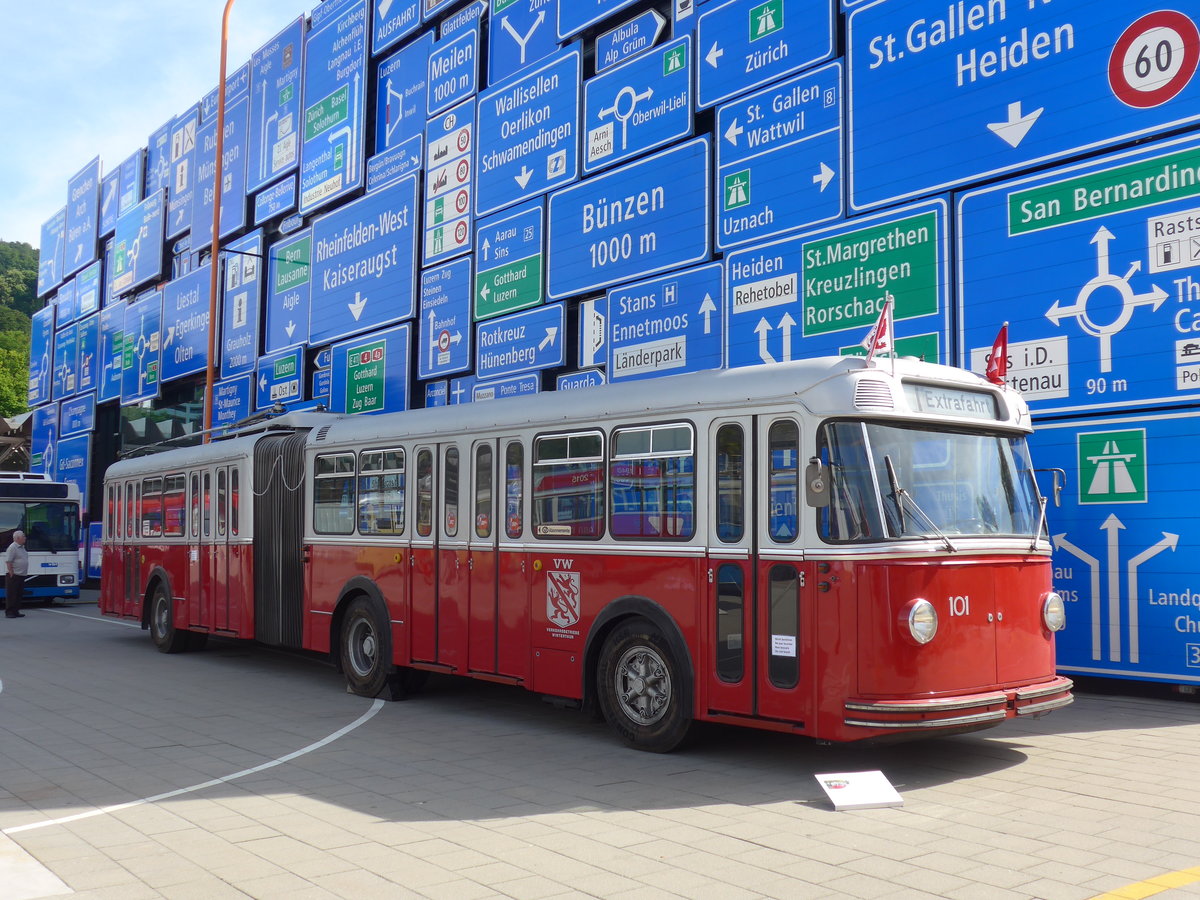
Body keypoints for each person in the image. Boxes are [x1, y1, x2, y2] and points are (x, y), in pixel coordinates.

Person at [4, 529, 28, 618]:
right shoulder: (12, 547)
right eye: (23, 536)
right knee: (12, 594)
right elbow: (8, 561)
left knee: (18, 594)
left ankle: (16, 611)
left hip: (21, 575)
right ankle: (9, 612)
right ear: (18, 538)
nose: (25, 538)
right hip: (14, 575)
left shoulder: (22, 547)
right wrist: (11, 572)